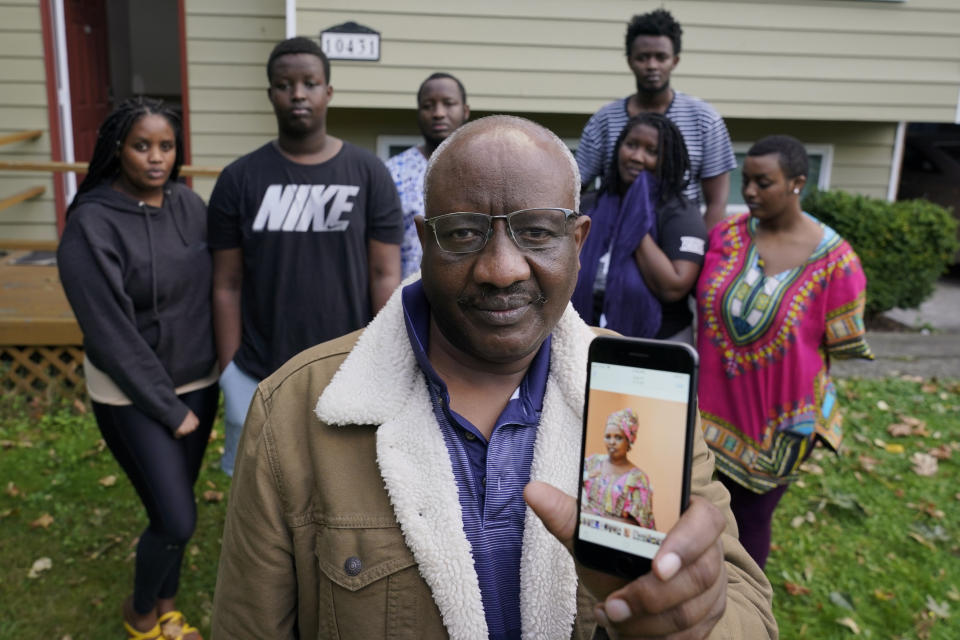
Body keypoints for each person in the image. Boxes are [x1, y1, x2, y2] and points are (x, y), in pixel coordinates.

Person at [211, 115, 777, 639]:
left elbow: (746, 604)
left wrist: (691, 621)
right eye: (462, 233)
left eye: (536, 232)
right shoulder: (296, 407)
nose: (501, 269)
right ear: (425, 240)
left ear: (578, 243)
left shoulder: (634, 394)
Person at [208, 36, 403, 476]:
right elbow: (226, 284)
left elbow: (384, 275)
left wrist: (381, 358)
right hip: (259, 367)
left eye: (310, 83)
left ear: (327, 92)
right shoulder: (239, 179)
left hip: (346, 364)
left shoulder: (369, 173)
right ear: (271, 94)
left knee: (339, 484)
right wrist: (230, 370)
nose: (298, 94)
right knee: (258, 491)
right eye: (285, 84)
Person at [57, 97, 215, 640]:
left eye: (166, 146)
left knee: (175, 508)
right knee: (175, 517)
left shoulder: (190, 206)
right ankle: (141, 613)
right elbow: (108, 332)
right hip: (132, 393)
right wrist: (167, 408)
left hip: (198, 381)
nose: (156, 158)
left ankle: (169, 609)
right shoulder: (92, 222)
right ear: (117, 149)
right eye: (141, 145)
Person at [696, 135, 874, 569]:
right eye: (747, 180)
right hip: (708, 415)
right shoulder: (726, 236)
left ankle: (748, 617)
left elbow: (835, 347)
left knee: (750, 526)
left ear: (797, 183)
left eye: (763, 182)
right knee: (703, 515)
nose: (750, 192)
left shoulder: (836, 263)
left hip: (780, 425)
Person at [575, 9, 736, 230]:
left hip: (678, 237)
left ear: (675, 61)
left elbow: (717, 203)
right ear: (630, 61)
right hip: (614, 234)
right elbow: (576, 188)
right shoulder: (604, 120)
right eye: (643, 57)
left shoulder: (705, 119)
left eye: (661, 57)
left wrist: (701, 255)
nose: (652, 66)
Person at [572, 113, 706, 343]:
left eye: (651, 151)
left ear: (667, 159)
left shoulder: (680, 212)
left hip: (658, 341)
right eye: (631, 145)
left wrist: (634, 220)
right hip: (585, 336)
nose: (636, 157)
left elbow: (674, 287)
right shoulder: (591, 204)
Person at [386, 72, 470, 278]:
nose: (438, 113)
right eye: (428, 105)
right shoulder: (393, 172)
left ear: (465, 111)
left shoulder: (485, 168)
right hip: (406, 296)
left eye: (448, 103)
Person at [582, 408, 656, 528]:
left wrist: (594, 518)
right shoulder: (592, 462)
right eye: (608, 436)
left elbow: (637, 523)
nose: (611, 442)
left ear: (629, 440)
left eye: (618, 437)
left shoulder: (638, 478)